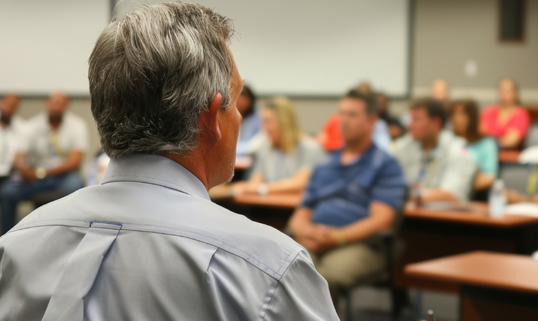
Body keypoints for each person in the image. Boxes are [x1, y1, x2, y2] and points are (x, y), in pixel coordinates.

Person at [0, 3, 338, 319]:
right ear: (209, 117)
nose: (238, 116)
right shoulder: (268, 270)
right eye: (234, 102)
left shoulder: (16, 245)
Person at [288, 89, 405, 305]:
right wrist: (309, 232)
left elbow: (382, 219)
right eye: (341, 113)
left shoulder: (385, 165)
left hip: (363, 243)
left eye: (352, 115)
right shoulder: (325, 165)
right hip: (317, 237)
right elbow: (299, 215)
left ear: (371, 121)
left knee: (322, 278)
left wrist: (336, 237)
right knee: (287, 267)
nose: (344, 120)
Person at [0, 92, 87, 234]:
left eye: (60, 103)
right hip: (36, 177)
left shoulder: (77, 125)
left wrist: (44, 173)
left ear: (66, 106)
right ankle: (6, 240)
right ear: (47, 104)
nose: (56, 106)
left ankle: (68, 235)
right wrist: (24, 170)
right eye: (53, 102)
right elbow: (19, 156)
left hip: (63, 176)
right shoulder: (33, 125)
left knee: (74, 186)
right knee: (8, 192)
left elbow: (75, 161)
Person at [224, 96, 326, 197]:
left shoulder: (311, 148)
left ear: (284, 122)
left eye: (268, 121)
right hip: (269, 205)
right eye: (263, 121)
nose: (264, 127)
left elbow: (300, 184)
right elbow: (254, 182)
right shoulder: (265, 148)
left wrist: (262, 188)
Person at [391, 99, 477, 203]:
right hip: (409, 213)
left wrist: (410, 196)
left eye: (416, 119)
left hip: (444, 217)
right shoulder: (407, 145)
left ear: (436, 123)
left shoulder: (458, 149)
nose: (409, 125)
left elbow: (451, 194)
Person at [451, 100, 498, 191]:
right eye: (454, 114)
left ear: (472, 117)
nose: (457, 119)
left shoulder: (487, 144)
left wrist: (461, 186)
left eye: (462, 114)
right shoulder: (449, 140)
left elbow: (489, 177)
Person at [481, 78, 530, 149]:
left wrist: (492, 142)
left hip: (507, 152)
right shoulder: (489, 110)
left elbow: (512, 140)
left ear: (515, 93)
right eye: (502, 90)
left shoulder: (520, 113)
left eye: (508, 91)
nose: (504, 94)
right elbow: (479, 132)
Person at [0, 94, 26, 181]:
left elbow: (21, 153)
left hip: (9, 175)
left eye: (13, 106)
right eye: (7, 104)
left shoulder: (20, 127)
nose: (8, 108)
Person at [235, 84, 261, 156]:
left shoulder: (258, 120)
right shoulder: (229, 119)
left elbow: (255, 146)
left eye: (244, 98)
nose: (240, 102)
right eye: (238, 98)